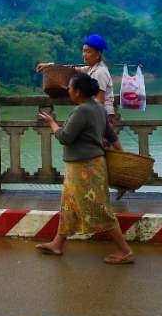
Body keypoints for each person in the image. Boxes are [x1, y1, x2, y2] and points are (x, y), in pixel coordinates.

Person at [35, 73, 135, 265]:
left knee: (99, 208)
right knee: (69, 205)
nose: (68, 91)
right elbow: (111, 136)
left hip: (85, 168)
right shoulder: (98, 108)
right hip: (89, 165)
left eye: (70, 88)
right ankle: (57, 244)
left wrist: (52, 123)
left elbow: (65, 137)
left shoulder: (82, 111)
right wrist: (121, 156)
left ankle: (125, 250)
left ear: (78, 92)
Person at [37, 34, 117, 126]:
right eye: (83, 51)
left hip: (102, 117)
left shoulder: (100, 72)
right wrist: (50, 66)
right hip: (96, 115)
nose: (84, 55)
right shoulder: (91, 68)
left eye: (88, 52)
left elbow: (100, 101)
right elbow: (72, 69)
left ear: (98, 54)